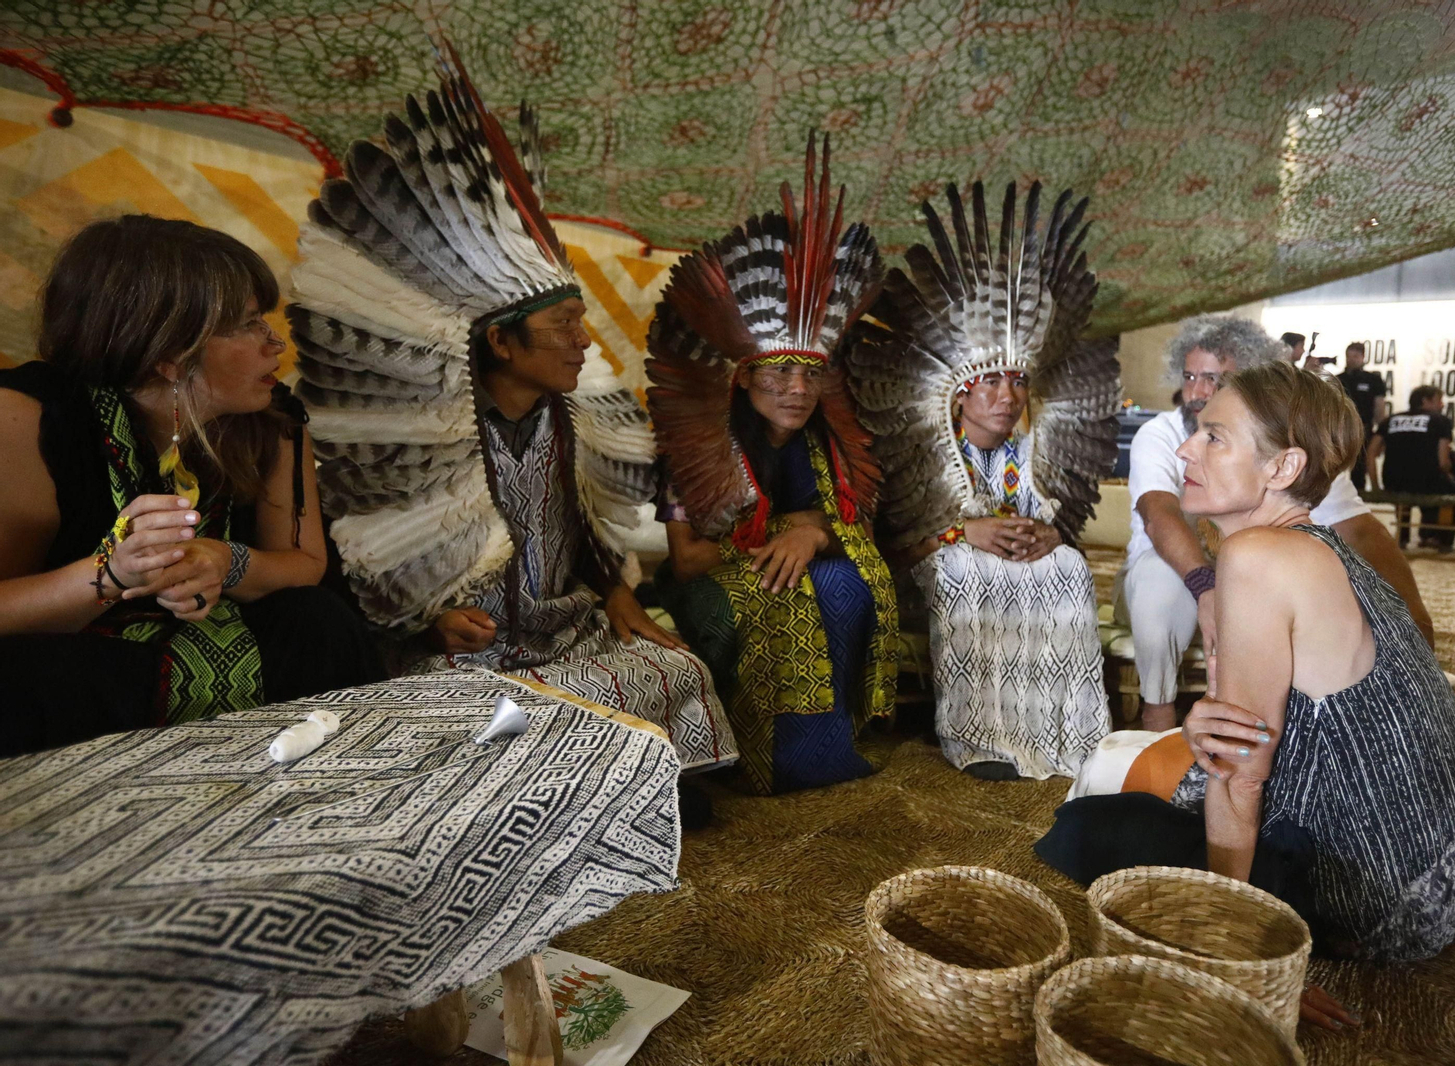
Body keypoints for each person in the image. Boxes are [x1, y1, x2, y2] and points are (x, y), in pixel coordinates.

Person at [290, 57, 736, 786]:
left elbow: (591, 536)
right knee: (501, 708)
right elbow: (363, 549)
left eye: (582, 321)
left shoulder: (575, 421)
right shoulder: (425, 425)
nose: (585, 341)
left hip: (567, 633)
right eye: (564, 324)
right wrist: (424, 619)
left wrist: (617, 592)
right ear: (501, 341)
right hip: (465, 650)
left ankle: (613, 785)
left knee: (673, 666)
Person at [1038, 361, 1455, 1027]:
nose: (1185, 449)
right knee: (1165, 770)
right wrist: (1207, 719)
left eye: (1214, 438)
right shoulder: (1319, 544)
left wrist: (1232, 947)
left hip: (1373, 900)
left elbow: (1242, 777)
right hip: (1430, 878)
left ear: (1283, 467)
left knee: (1089, 826)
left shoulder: (1256, 558)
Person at [0, 215, 384, 757]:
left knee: (316, 619)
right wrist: (112, 573)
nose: (275, 343)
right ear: (169, 354)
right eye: (248, 324)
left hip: (214, 632)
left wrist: (225, 561)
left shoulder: (273, 420)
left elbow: (304, 563)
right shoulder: (27, 419)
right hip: (83, 652)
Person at [647, 135, 898, 795]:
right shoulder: (699, 438)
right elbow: (689, 558)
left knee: (847, 583)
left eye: (810, 374)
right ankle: (755, 756)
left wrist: (810, 532)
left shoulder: (826, 438)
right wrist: (786, 535)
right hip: (711, 580)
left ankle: (830, 745)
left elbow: (856, 525)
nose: (796, 388)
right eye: (780, 370)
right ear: (744, 375)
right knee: (776, 596)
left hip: (791, 556)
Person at [849, 180, 1117, 781]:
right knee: (967, 568)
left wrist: (1053, 538)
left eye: (1017, 383)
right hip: (939, 565)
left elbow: (1056, 525)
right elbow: (889, 545)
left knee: (1069, 567)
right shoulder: (925, 449)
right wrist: (960, 536)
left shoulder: (1031, 455)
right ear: (961, 392)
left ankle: (1064, 733)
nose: (1006, 397)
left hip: (1018, 564)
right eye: (990, 383)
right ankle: (980, 736)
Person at [1116, 314, 1432, 732]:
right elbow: (1159, 515)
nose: (1196, 391)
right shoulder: (1161, 435)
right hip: (1172, 577)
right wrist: (1206, 588)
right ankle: (1157, 712)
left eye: (1215, 379)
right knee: (1166, 577)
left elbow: (1359, 532)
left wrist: (1417, 634)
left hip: (1252, 584)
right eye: (1189, 376)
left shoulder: (1290, 458)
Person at [1368, 385, 1455, 549]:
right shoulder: (1440, 421)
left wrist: (1375, 486)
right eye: (1439, 400)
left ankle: (1402, 535)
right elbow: (1443, 461)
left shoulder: (1390, 420)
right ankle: (1439, 538)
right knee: (1452, 490)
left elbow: (1371, 453)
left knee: (1405, 493)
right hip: (1427, 483)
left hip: (1394, 482)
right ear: (1425, 401)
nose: (1442, 405)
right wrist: (1449, 475)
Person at [1337, 341, 1387, 492]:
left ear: (1363, 357)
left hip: (1363, 428)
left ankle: (1358, 500)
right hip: (1340, 428)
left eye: (1355, 356)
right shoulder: (1338, 379)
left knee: (1359, 470)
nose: (1351, 359)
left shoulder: (1373, 380)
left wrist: (1382, 434)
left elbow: (1379, 409)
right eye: (1349, 356)